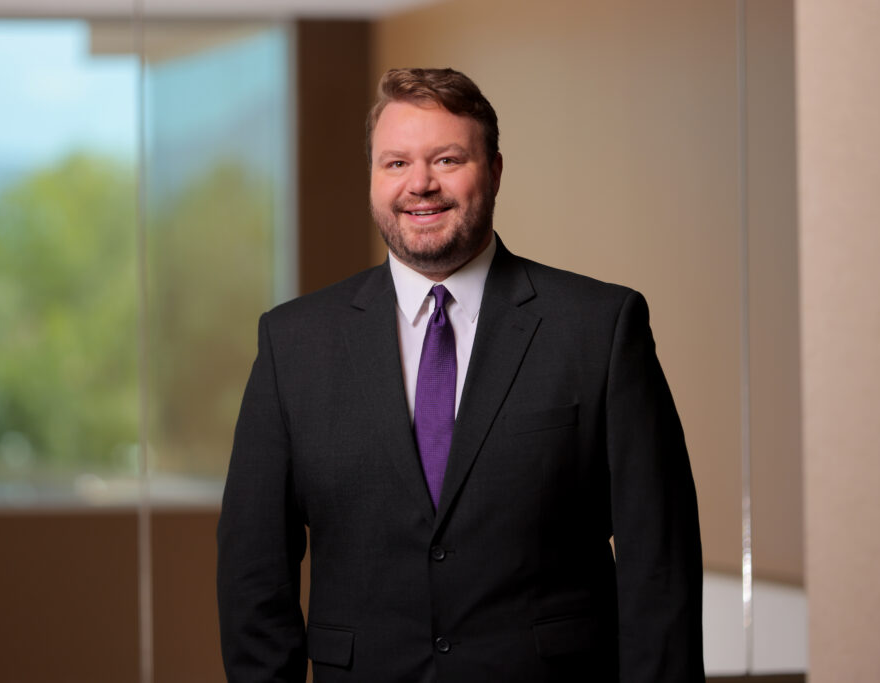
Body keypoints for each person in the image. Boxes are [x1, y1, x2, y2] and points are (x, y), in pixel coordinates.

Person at [217, 67, 704, 683]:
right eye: (395, 163)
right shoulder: (293, 343)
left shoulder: (599, 328)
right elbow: (253, 572)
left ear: (495, 170)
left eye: (446, 159)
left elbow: (658, 566)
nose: (419, 184)